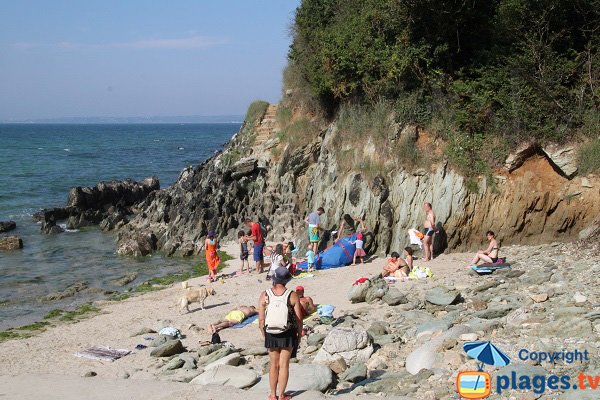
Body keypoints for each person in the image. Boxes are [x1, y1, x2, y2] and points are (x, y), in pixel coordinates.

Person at [258, 267, 303, 400]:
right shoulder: (292, 294)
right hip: (288, 332)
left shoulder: (265, 294)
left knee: (273, 365)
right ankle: (282, 395)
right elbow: (299, 319)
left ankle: (272, 395)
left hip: (270, 332)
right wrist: (299, 335)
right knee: (284, 364)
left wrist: (263, 333)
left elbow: (261, 319)